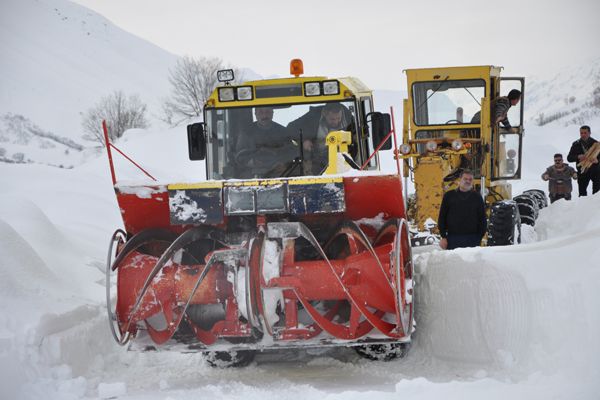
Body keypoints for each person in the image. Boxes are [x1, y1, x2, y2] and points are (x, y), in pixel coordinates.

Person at [287, 103, 353, 174]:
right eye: (332, 119)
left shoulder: (348, 117)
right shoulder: (312, 116)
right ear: (324, 113)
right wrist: (303, 141)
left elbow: (358, 132)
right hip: (316, 160)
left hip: (342, 160)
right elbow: (290, 128)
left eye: (338, 118)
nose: (336, 122)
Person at [235, 107, 295, 177]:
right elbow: (239, 155)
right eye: (260, 112)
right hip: (252, 175)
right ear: (255, 114)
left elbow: (290, 153)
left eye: (268, 112)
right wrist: (252, 162)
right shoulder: (246, 132)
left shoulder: (283, 132)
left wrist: (284, 164)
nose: (264, 116)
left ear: (272, 113)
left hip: (279, 174)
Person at [438, 169, 487, 250]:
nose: (468, 181)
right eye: (465, 179)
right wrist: (443, 237)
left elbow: (482, 219)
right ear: (460, 180)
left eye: (470, 179)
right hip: (452, 239)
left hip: (472, 239)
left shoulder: (477, 197)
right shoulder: (449, 196)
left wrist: (479, 237)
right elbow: (442, 217)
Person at [567, 125, 600, 196]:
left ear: (589, 133)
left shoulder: (596, 144)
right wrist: (578, 156)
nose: (583, 135)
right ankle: (583, 207)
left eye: (585, 133)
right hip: (582, 172)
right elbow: (569, 158)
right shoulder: (576, 144)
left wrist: (597, 161)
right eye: (581, 133)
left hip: (596, 171)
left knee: (597, 193)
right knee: (582, 194)